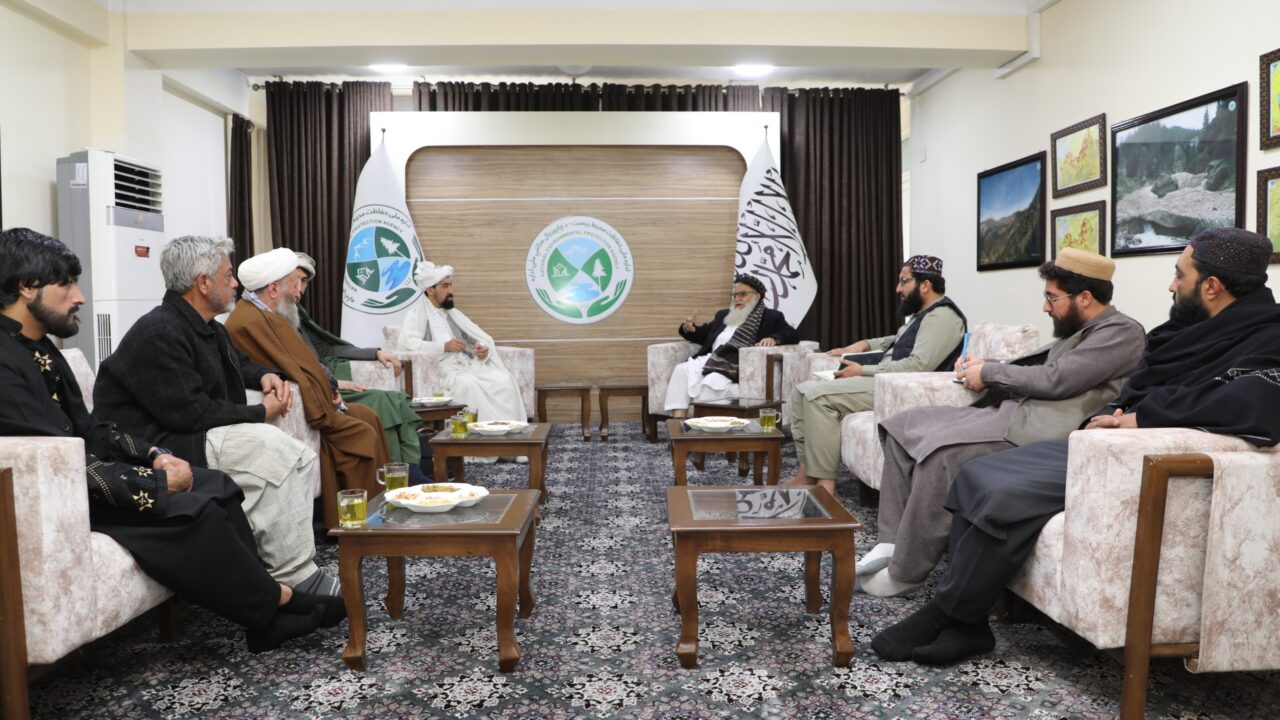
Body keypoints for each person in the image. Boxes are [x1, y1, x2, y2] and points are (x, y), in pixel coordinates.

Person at [872, 228, 1280, 667]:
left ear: (1212, 286)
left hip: (1140, 456)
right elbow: (1136, 385)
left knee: (1004, 493)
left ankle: (948, 615)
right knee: (974, 474)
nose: (1171, 285)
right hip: (1105, 443)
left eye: (1180, 275)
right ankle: (968, 625)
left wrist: (1142, 417)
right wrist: (1114, 412)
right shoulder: (1187, 330)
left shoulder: (1267, 335)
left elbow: (1254, 403)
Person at [0, 228, 342, 652]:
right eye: (67, 284)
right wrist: (156, 482)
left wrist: (155, 456)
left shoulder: (39, 348)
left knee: (218, 487)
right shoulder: (8, 360)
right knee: (197, 510)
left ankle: (267, 611)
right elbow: (57, 462)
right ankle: (278, 601)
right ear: (26, 286)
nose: (80, 297)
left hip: (94, 472)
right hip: (66, 497)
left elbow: (90, 430)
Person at [859, 249, 1145, 597]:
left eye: (1052, 298)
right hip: (1010, 412)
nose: (1046, 307)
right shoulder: (1082, 330)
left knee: (942, 455)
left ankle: (905, 573)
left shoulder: (1122, 333)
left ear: (1084, 297)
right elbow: (1038, 369)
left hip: (1037, 428)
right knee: (902, 425)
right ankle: (891, 542)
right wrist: (985, 366)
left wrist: (990, 372)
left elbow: (1057, 379)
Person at [92, 236, 340, 597]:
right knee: (275, 452)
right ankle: (295, 577)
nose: (236, 283)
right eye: (228, 275)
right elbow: (192, 413)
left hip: (190, 432)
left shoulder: (210, 327)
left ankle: (275, 569)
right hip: (158, 448)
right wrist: (260, 412)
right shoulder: (158, 332)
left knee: (299, 457)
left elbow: (240, 365)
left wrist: (266, 375)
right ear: (203, 283)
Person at [225, 248, 391, 525]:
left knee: (369, 416)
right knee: (361, 433)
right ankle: (358, 523)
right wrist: (329, 400)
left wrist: (331, 392)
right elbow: (293, 370)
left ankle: (381, 509)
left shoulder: (267, 314)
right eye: (294, 285)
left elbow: (303, 366)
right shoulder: (252, 321)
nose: (298, 294)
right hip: (309, 413)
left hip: (316, 403)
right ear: (274, 289)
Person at [786, 255, 967, 496]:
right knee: (801, 391)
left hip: (900, 389)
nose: (898, 289)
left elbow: (918, 365)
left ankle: (826, 487)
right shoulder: (924, 313)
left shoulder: (942, 317)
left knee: (817, 397)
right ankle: (807, 473)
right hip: (885, 380)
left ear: (925, 285)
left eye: (904, 281)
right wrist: (863, 344)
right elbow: (897, 340)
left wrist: (862, 370)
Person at [293, 251, 428, 478]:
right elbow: (293, 366)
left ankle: (410, 471)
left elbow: (326, 349)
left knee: (394, 399)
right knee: (382, 401)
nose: (300, 288)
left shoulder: (294, 313)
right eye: (295, 280)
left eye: (304, 281)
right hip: (319, 392)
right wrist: (334, 383)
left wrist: (375, 353)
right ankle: (398, 475)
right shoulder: (271, 319)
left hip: (327, 385)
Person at [397, 261, 527, 425]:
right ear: (430, 290)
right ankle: (483, 436)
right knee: (469, 386)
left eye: (451, 285)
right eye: (445, 286)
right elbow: (408, 343)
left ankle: (510, 432)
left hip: (467, 366)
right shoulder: (417, 313)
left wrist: (481, 350)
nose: (451, 291)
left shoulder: (453, 313)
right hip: (442, 372)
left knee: (504, 381)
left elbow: (474, 339)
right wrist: (443, 347)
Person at [663, 274, 800, 417]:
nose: (737, 299)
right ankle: (678, 423)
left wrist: (774, 338)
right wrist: (690, 329)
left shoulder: (771, 316)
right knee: (681, 370)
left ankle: (706, 427)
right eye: (734, 295)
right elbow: (705, 335)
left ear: (757, 296)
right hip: (711, 359)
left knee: (712, 381)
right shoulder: (724, 315)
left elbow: (791, 333)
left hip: (735, 363)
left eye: (742, 294)